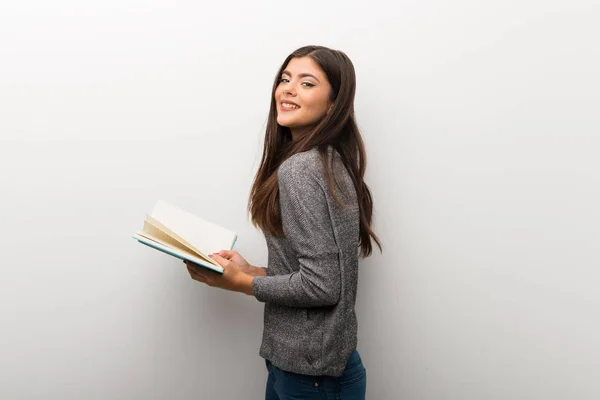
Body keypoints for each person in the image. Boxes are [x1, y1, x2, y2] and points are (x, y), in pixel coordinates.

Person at [184, 45, 382, 400]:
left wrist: (240, 283)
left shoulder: (302, 169)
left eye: (307, 83)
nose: (287, 89)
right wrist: (255, 271)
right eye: (285, 79)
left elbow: (323, 287)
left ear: (334, 104)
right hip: (306, 369)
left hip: (312, 377)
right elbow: (317, 272)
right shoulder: (327, 161)